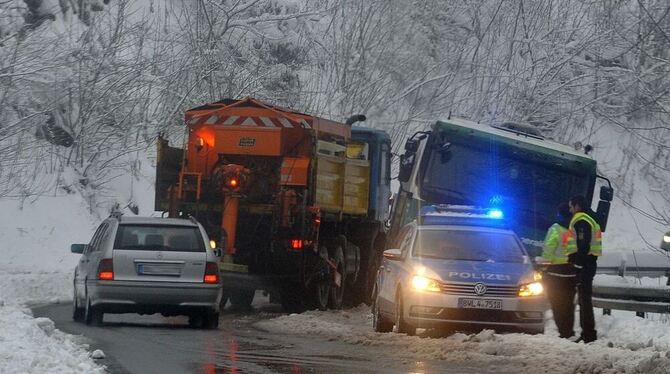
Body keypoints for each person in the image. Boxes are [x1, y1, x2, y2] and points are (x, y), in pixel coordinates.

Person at [566, 195, 602, 343]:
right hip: (589, 264)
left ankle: (588, 334)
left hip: (585, 265)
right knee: (583, 299)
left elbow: (583, 245)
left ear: (577, 206)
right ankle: (587, 332)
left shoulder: (582, 221)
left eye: (571, 206)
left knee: (584, 300)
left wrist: (578, 265)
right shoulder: (589, 219)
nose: (569, 210)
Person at [541, 203, 577, 339]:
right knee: (569, 304)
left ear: (560, 214)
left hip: (555, 273)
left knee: (557, 303)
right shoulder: (575, 229)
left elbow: (548, 250)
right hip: (571, 272)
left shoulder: (555, 229)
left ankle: (563, 331)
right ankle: (570, 331)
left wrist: (544, 267)